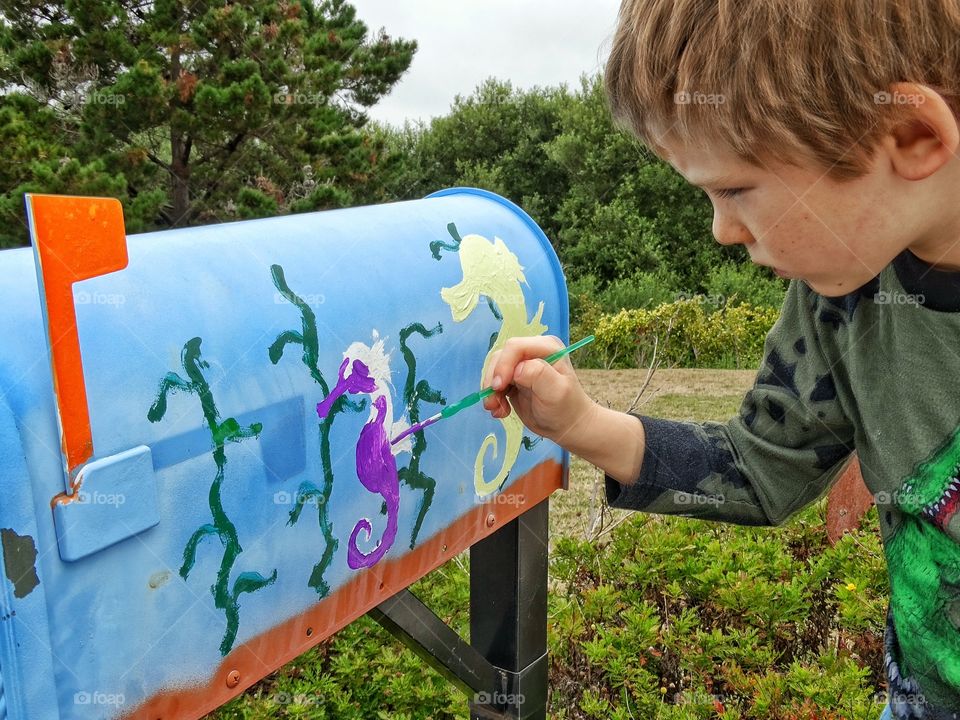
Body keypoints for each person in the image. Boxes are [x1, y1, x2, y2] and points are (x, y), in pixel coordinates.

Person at [482, 1, 960, 717]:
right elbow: (761, 469)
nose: (721, 230)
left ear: (912, 135)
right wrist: (578, 422)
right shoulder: (845, 293)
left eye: (735, 189)